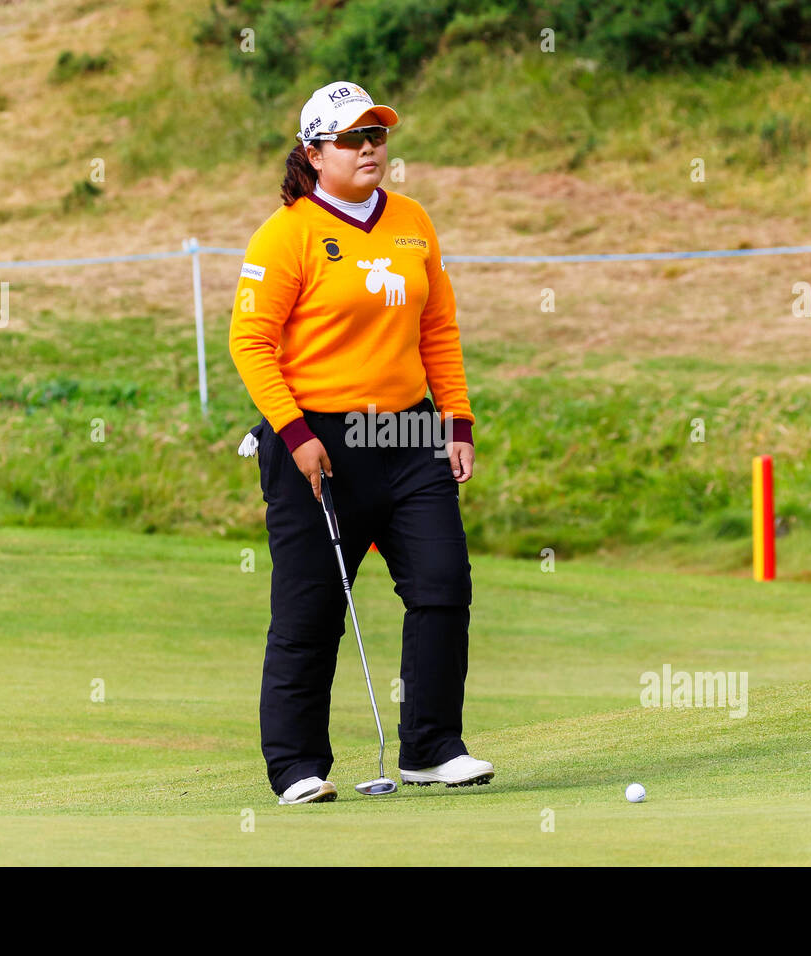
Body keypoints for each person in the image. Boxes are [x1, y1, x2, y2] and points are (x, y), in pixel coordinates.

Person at [229, 81, 494, 805]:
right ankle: (296, 767)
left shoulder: (412, 222)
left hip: (409, 435)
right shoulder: (287, 234)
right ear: (315, 154)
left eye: (376, 135)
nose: (371, 148)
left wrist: (457, 421)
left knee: (443, 586)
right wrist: (296, 432)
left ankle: (433, 748)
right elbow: (249, 342)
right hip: (316, 440)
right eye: (352, 138)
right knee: (311, 612)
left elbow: (436, 327)